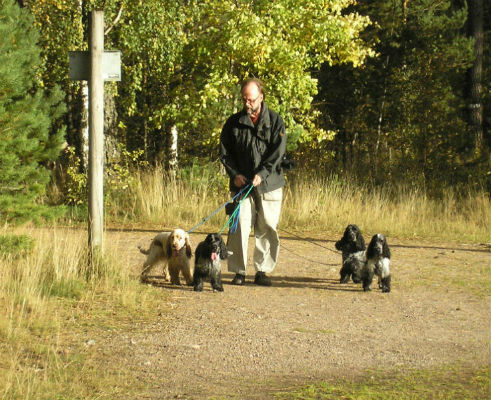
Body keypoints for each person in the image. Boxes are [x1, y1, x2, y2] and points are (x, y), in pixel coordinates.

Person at [219, 78, 287, 286]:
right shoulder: (233, 123)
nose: (247, 104)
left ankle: (262, 271)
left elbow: (278, 153)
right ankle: (239, 271)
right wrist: (234, 174)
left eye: (251, 100)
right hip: (242, 184)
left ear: (261, 97)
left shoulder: (276, 121)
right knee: (239, 225)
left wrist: (263, 173)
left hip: (269, 183)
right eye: (244, 100)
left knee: (267, 225)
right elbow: (224, 154)